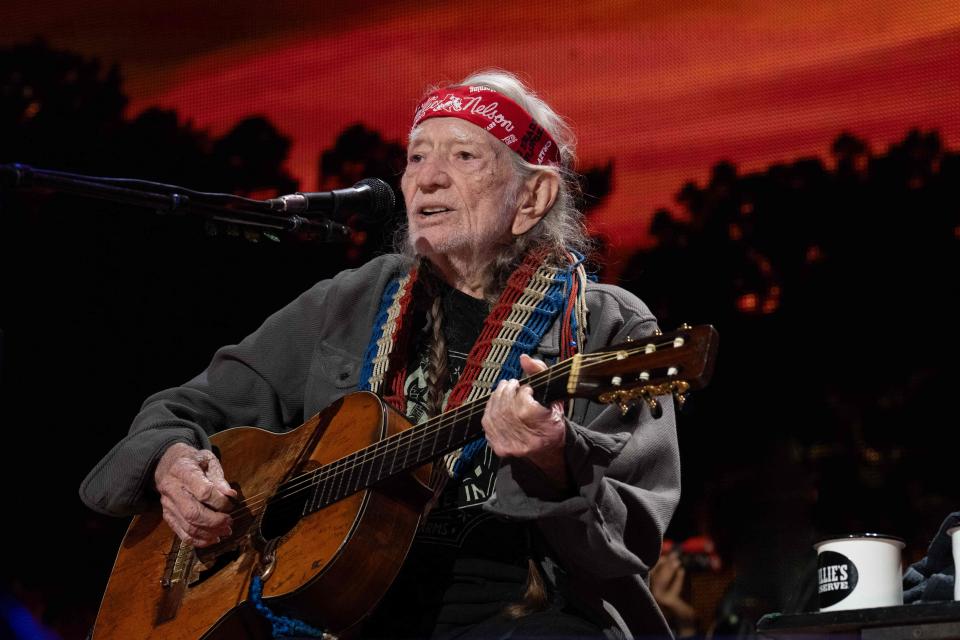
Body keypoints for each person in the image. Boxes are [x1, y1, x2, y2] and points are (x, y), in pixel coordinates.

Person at [79, 69, 681, 639]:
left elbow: (631, 535)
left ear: (533, 197)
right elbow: (182, 407)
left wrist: (556, 464)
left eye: (463, 156)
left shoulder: (610, 324)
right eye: (417, 156)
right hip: (337, 609)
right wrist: (170, 462)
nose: (426, 178)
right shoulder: (351, 300)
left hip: (521, 609)